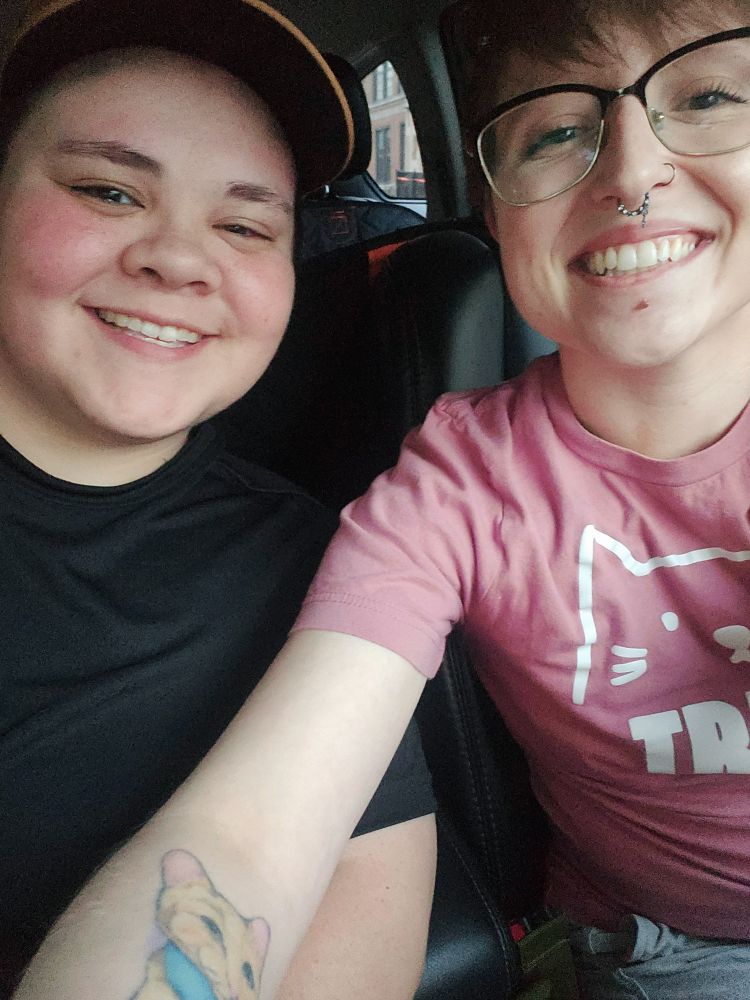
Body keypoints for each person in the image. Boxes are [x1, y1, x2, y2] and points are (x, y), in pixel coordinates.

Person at [14, 0, 750, 997]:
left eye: (707, 98)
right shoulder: (446, 496)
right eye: (555, 132)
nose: (631, 173)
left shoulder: (271, 540)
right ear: (494, 212)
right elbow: (247, 837)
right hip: (676, 944)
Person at [0, 0, 438, 997]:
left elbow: (365, 914)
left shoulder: (313, 560)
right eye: (109, 191)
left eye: (243, 224)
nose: (179, 258)